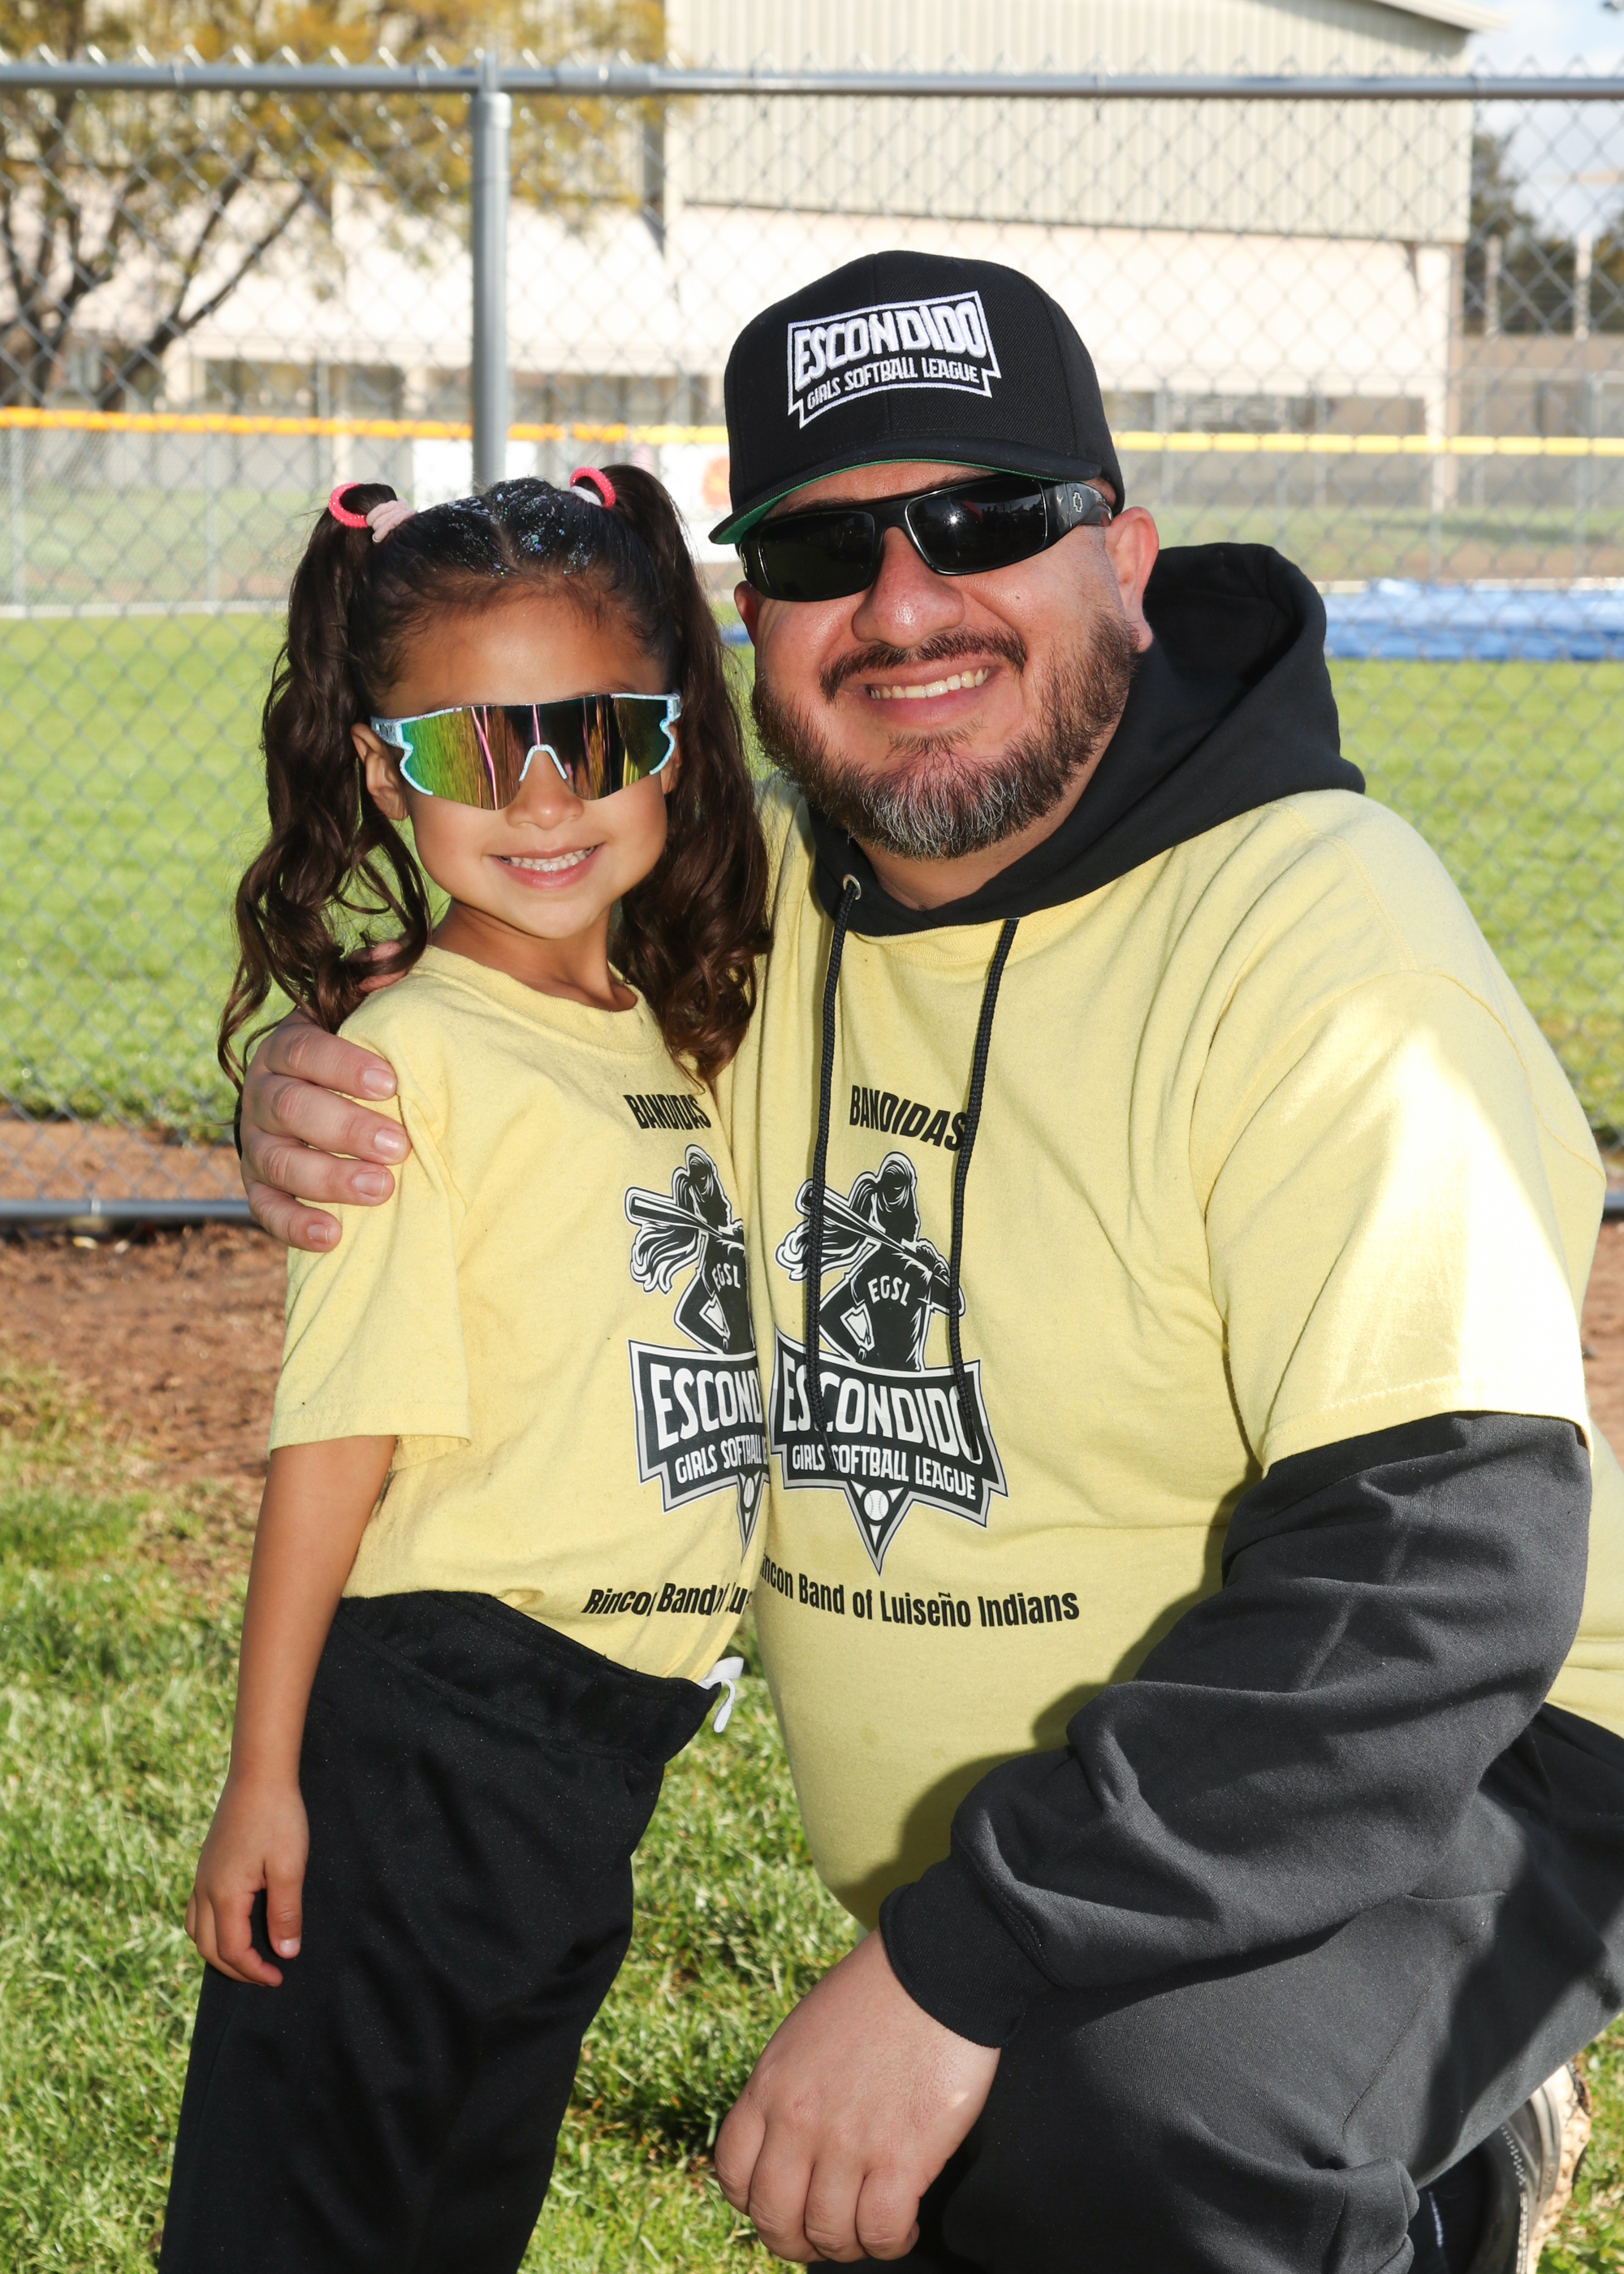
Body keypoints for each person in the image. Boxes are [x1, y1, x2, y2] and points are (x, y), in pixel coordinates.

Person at [234, 252, 1624, 2274]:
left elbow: (1442, 1567)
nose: (901, 603)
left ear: (1123, 560)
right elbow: (490, 1014)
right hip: (1069, 1821)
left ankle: (1428, 2159)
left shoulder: (1324, 946)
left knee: (1127, 2126)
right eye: (822, 548)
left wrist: (966, 1956)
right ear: (755, 617)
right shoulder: (739, 913)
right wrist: (309, 1082)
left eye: (983, 520)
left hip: (1448, 1760)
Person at [161, 469, 769, 2274]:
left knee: (452, 2214)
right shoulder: (409, 1059)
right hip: (436, 1728)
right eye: (474, 750)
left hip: (587, 1759)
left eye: (597, 733)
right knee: (312, 2222)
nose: (545, 797)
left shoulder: (669, 1036)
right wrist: (265, 1774)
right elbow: (335, 1440)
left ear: (673, 739)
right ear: (381, 773)